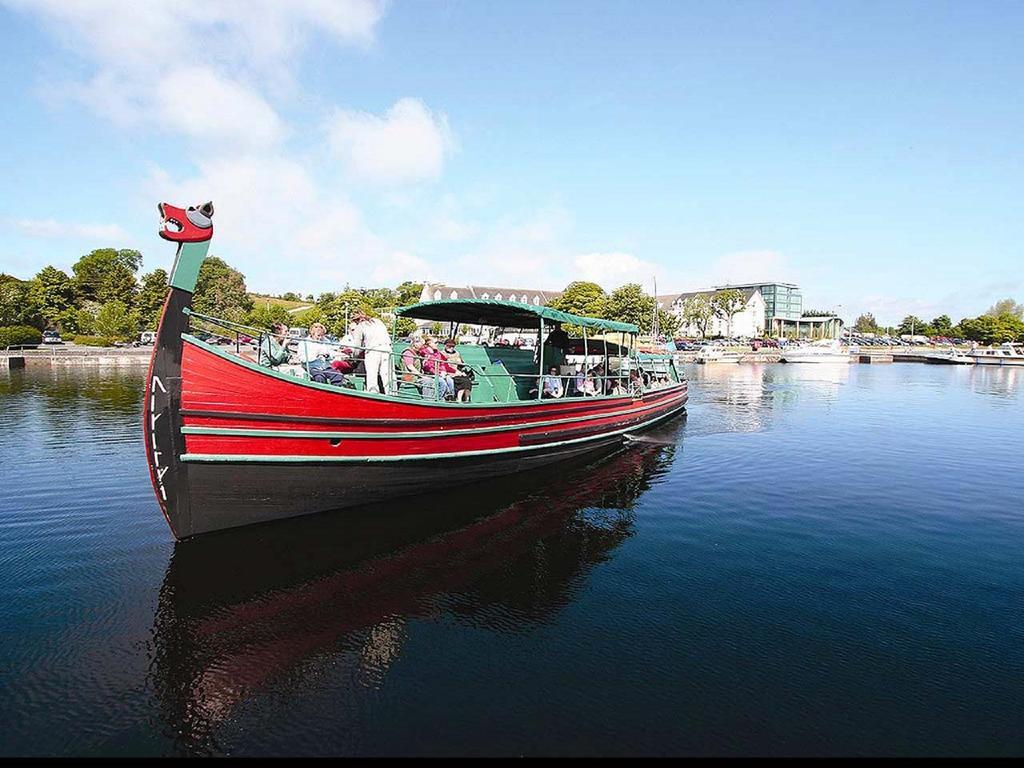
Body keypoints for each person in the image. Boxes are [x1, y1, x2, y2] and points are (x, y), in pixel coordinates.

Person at [349, 308, 393, 394]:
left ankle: (373, 394)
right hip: (387, 349)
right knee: (387, 374)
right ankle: (391, 393)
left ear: (355, 320)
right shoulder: (378, 321)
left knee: (372, 375)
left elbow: (357, 347)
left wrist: (354, 358)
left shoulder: (360, 326)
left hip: (373, 351)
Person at [420, 336, 455, 400]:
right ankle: (439, 398)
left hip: (439, 373)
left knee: (450, 381)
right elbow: (427, 367)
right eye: (435, 342)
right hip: (431, 373)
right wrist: (438, 373)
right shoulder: (424, 353)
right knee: (442, 383)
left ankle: (450, 396)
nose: (437, 344)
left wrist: (444, 372)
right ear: (430, 343)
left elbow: (442, 363)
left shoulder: (437, 352)